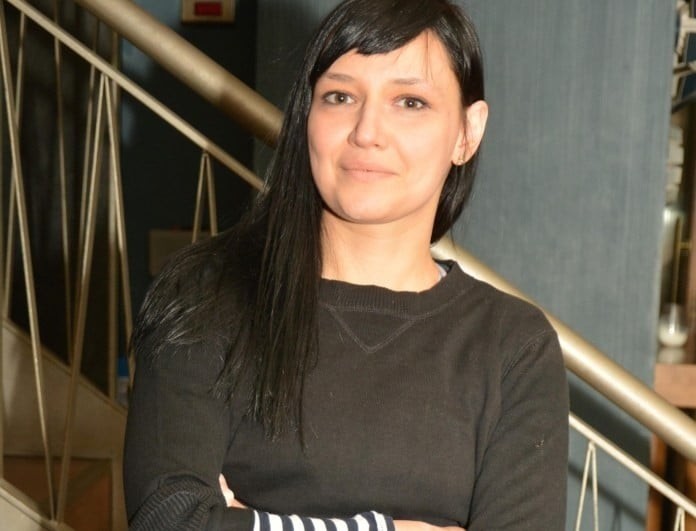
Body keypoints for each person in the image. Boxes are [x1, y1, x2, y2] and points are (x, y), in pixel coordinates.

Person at [123, 0, 569, 530]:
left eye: (410, 102)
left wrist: (255, 522)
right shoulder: (206, 297)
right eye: (340, 96)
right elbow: (169, 520)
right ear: (306, 116)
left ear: (467, 133)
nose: (366, 131)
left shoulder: (513, 348)